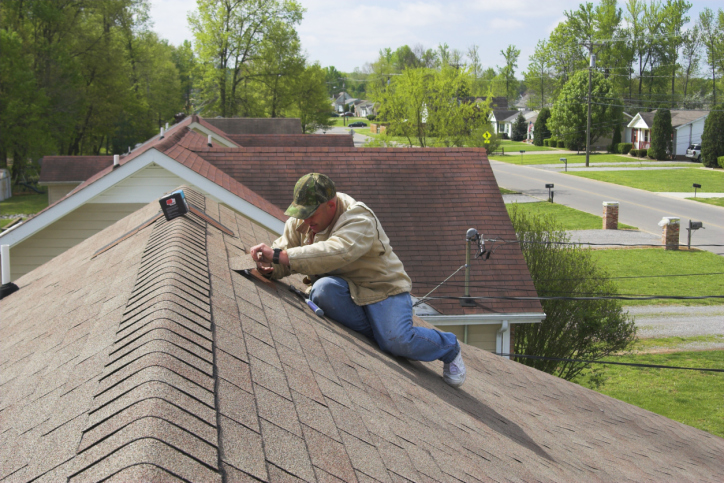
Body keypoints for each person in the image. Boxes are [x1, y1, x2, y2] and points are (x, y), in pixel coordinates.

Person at [250, 173, 466, 387]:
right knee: (322, 291)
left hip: (382, 289)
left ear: (331, 205)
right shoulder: (303, 220)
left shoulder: (359, 218)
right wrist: (269, 268)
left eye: (310, 214)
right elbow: (284, 250)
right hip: (345, 288)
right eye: (301, 213)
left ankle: (449, 347)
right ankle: (384, 334)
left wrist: (279, 256)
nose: (305, 220)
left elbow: (335, 252)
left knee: (398, 341)